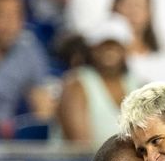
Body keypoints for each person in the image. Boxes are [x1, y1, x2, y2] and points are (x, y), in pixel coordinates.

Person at [57, 14, 143, 144]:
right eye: (103, 44)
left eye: (116, 44)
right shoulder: (76, 84)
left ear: (125, 49)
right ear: (92, 48)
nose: (110, 49)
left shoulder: (136, 84)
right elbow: (80, 146)